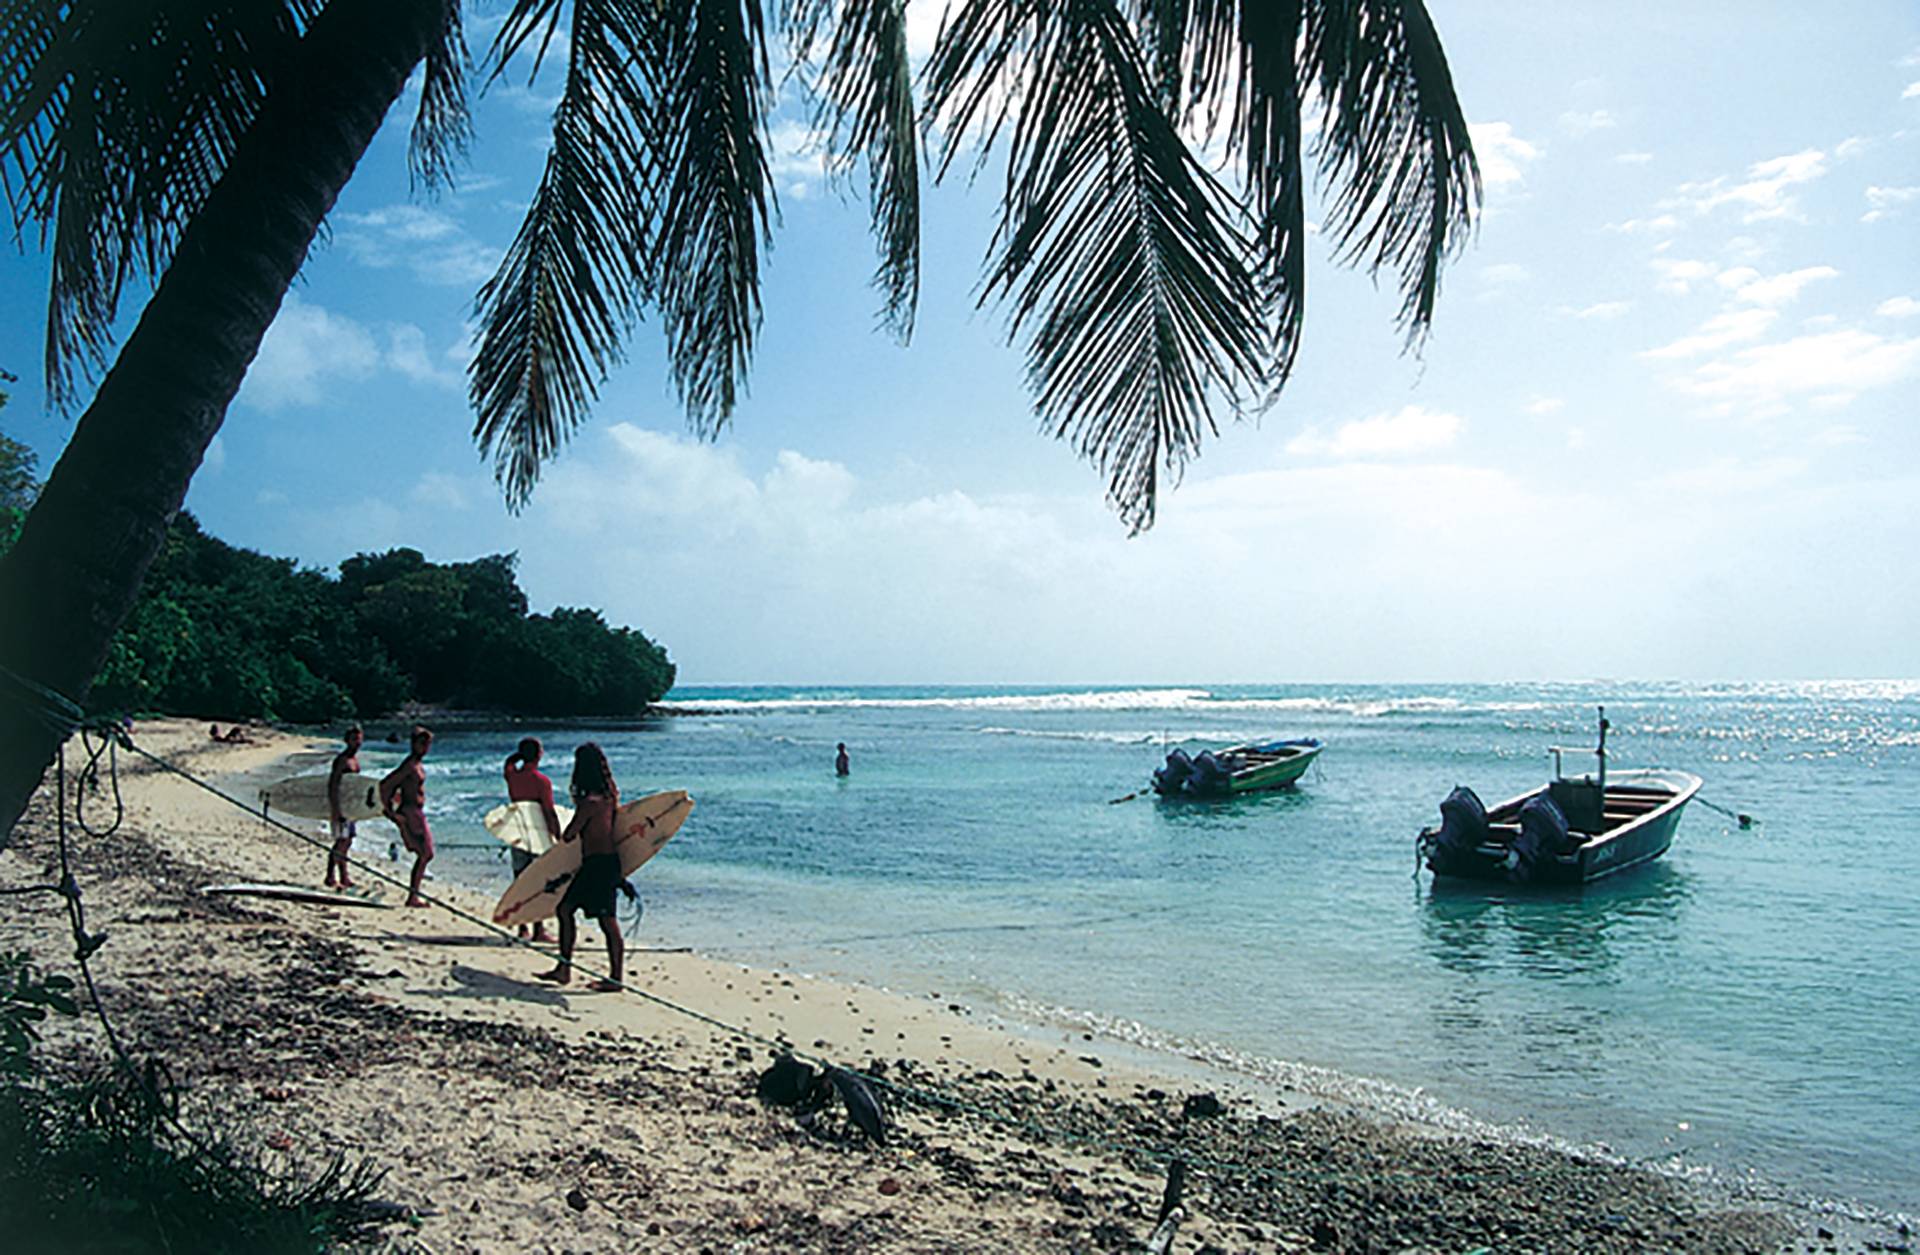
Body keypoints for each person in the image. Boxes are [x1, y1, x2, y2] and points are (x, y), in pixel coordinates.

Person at [537, 742, 627, 992]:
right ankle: (565, 969)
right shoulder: (610, 797)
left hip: (597, 866)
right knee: (567, 910)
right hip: (605, 864)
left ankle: (614, 978)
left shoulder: (590, 803)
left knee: (604, 920)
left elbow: (570, 834)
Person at [503, 737, 562, 943]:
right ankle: (538, 929)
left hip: (517, 831)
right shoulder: (541, 781)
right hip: (535, 833)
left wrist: (518, 755)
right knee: (538, 882)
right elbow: (548, 810)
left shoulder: (512, 776)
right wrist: (558, 835)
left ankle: (522, 928)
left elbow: (508, 764)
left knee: (520, 879)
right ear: (538, 754)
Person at [379, 725, 435, 907]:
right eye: (422, 743)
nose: (425, 748)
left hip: (415, 812)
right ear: (413, 744)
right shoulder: (409, 765)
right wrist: (390, 812)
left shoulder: (416, 764)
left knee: (424, 854)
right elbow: (386, 785)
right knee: (426, 853)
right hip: (411, 812)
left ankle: (413, 895)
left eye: (427, 744)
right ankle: (413, 896)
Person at [325, 724, 364, 888]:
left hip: (351, 807)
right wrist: (336, 809)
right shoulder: (342, 760)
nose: (358, 742)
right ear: (347, 740)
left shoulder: (355, 760)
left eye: (360, 738)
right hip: (341, 807)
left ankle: (344, 876)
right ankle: (329, 875)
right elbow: (333, 785)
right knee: (341, 841)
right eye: (354, 739)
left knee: (347, 842)